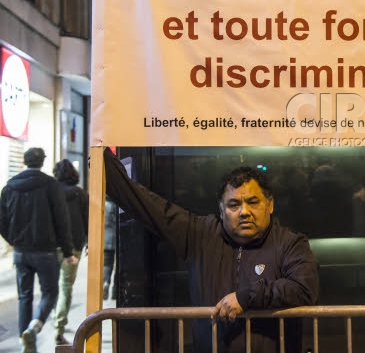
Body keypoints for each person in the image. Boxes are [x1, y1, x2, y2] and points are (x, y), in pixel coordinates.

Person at [103, 148, 319, 353]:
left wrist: (247, 298)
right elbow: (145, 205)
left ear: (270, 205)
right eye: (234, 205)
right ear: (221, 210)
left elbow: (304, 287)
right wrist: (103, 159)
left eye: (253, 202)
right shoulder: (200, 234)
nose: (244, 212)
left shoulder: (290, 243)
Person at [0, 148, 78, 353]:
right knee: (50, 293)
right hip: (46, 251)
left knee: (24, 296)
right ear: (43, 162)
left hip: (20, 251)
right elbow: (62, 220)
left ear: (25, 162)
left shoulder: (9, 188)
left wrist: (14, 240)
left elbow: (2, 222)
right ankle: (34, 327)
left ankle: (22, 337)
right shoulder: (51, 186)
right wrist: (69, 251)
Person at [52, 159, 89, 345]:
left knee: (50, 287)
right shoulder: (81, 194)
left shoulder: (51, 193)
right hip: (73, 246)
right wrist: (88, 240)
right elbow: (88, 219)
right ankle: (59, 326)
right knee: (66, 287)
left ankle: (49, 318)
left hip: (52, 246)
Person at [103, 195, 118, 300]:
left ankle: (105, 282)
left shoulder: (102, 205)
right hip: (116, 238)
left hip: (105, 239)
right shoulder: (115, 206)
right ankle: (115, 291)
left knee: (107, 264)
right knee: (118, 266)